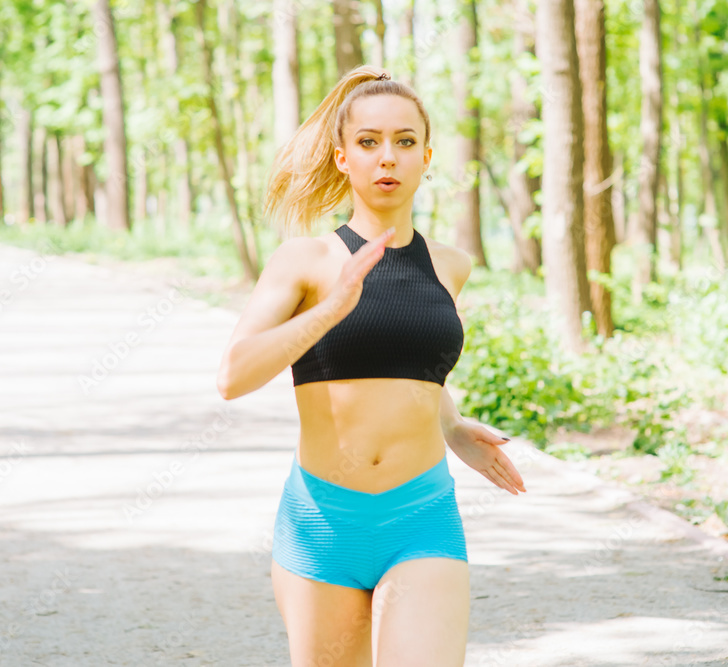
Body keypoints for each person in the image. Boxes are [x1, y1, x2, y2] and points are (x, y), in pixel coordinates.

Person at [215, 65, 527, 667]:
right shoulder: (304, 261)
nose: (388, 157)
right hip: (322, 522)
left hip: (422, 517)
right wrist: (330, 309)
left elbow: (411, 363)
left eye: (405, 142)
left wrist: (454, 426)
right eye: (369, 142)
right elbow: (232, 375)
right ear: (342, 158)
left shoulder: (449, 265)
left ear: (426, 157)